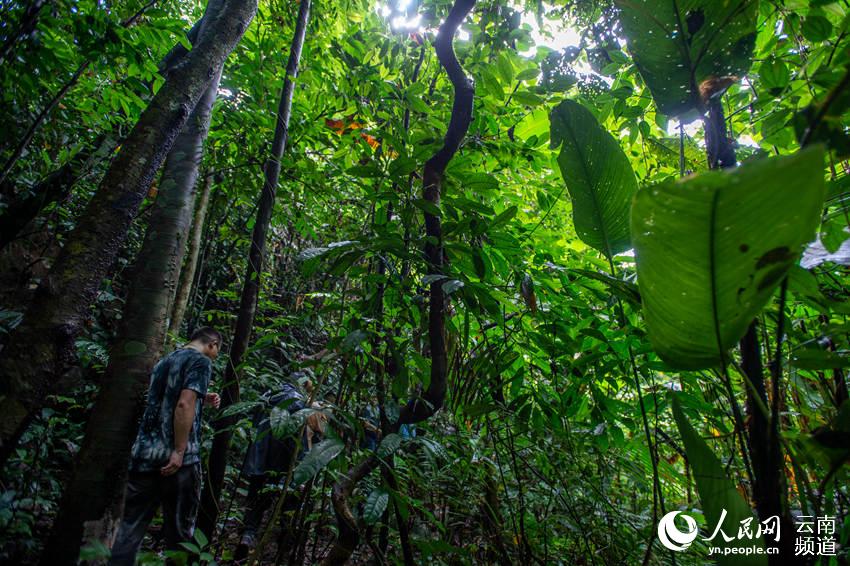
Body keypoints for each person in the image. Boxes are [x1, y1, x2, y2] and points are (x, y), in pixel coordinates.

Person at [108, 327, 223, 566]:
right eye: (217, 351)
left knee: (129, 530)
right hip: (178, 460)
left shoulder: (165, 361)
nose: (215, 356)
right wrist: (179, 451)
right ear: (212, 344)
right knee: (180, 534)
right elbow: (183, 404)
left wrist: (203, 395)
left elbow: (164, 399)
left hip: (144, 455)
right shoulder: (200, 362)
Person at [236, 371, 324, 557]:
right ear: (304, 383)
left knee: (257, 499)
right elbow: (309, 435)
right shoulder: (301, 402)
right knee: (289, 504)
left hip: (260, 459)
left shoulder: (269, 394)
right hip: (287, 461)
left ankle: (248, 535)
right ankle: (284, 546)